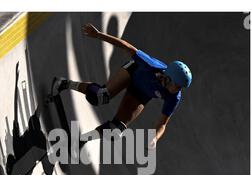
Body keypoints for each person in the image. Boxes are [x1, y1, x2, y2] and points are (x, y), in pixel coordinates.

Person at [52, 23, 192, 149]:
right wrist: (99, 35)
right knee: (100, 96)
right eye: (178, 86)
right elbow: (126, 45)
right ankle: (63, 83)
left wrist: (155, 138)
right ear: (168, 78)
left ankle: (81, 139)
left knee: (115, 129)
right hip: (133, 72)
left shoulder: (174, 97)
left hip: (141, 93)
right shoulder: (150, 65)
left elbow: (162, 124)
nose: (179, 90)